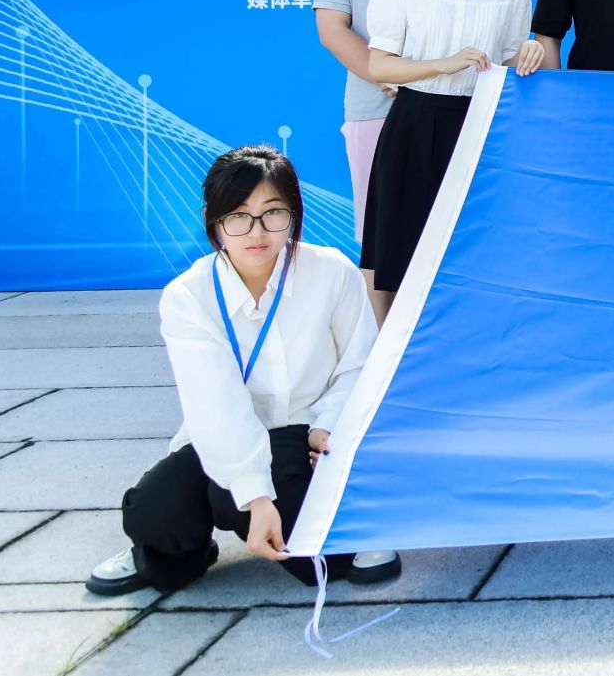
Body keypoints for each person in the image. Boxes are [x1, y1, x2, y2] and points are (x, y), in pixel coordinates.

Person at [87, 147, 399, 596]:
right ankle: (174, 550)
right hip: (222, 436)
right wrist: (255, 494)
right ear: (214, 221)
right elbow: (215, 403)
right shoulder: (188, 296)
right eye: (238, 216)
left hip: (302, 435)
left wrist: (328, 424)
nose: (257, 231)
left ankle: (342, 531)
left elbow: (360, 364)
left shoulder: (332, 272)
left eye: (273, 213)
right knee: (154, 515)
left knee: (322, 557)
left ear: (294, 214)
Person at [361, 0, 544, 324]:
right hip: (413, 120)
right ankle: (387, 345)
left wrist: (530, 54)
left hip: (476, 128)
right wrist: (442, 64)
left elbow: (508, 70)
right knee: (397, 240)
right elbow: (379, 66)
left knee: (468, 241)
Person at [312, 0, 445, 271]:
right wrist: (386, 73)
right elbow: (332, 29)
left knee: (446, 228)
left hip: (447, 104)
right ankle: (382, 319)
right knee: (379, 233)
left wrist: (425, 77)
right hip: (373, 105)